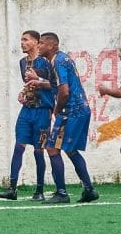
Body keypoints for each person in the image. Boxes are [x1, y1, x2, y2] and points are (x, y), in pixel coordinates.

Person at [39, 33, 98, 204]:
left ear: (51, 46)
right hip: (79, 109)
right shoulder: (60, 59)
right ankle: (88, 189)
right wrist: (39, 82)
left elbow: (64, 91)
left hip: (72, 110)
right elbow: (57, 85)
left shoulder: (57, 62)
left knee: (52, 148)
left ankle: (62, 193)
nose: (39, 46)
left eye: (42, 43)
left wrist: (56, 110)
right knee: (69, 149)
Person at [0, 30, 54, 201]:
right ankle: (12, 189)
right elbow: (29, 85)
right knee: (18, 147)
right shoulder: (22, 62)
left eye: (26, 40)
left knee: (38, 151)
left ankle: (39, 190)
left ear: (37, 42)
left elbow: (55, 85)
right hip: (27, 111)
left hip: (43, 111)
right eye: (21, 39)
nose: (22, 43)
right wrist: (23, 94)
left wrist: (39, 80)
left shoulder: (45, 62)